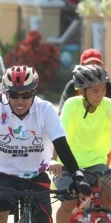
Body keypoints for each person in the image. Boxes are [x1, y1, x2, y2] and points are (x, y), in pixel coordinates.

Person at [0, 65, 91, 223]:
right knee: (0, 209)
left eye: (26, 95)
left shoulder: (45, 110)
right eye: (14, 95)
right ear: (6, 93)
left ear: (34, 93)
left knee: (42, 219)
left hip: (34, 175)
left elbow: (61, 145)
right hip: (0, 173)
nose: (20, 101)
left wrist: (77, 176)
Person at [51, 65, 111, 223]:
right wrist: (52, 159)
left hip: (97, 165)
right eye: (95, 91)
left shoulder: (108, 106)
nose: (100, 95)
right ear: (82, 91)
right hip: (68, 167)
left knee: (109, 195)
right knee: (69, 200)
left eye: (103, 90)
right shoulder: (71, 105)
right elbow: (58, 136)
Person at [58, 48, 111, 115]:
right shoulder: (73, 86)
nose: (93, 68)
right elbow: (61, 113)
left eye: (96, 64)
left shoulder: (107, 85)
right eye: (88, 64)